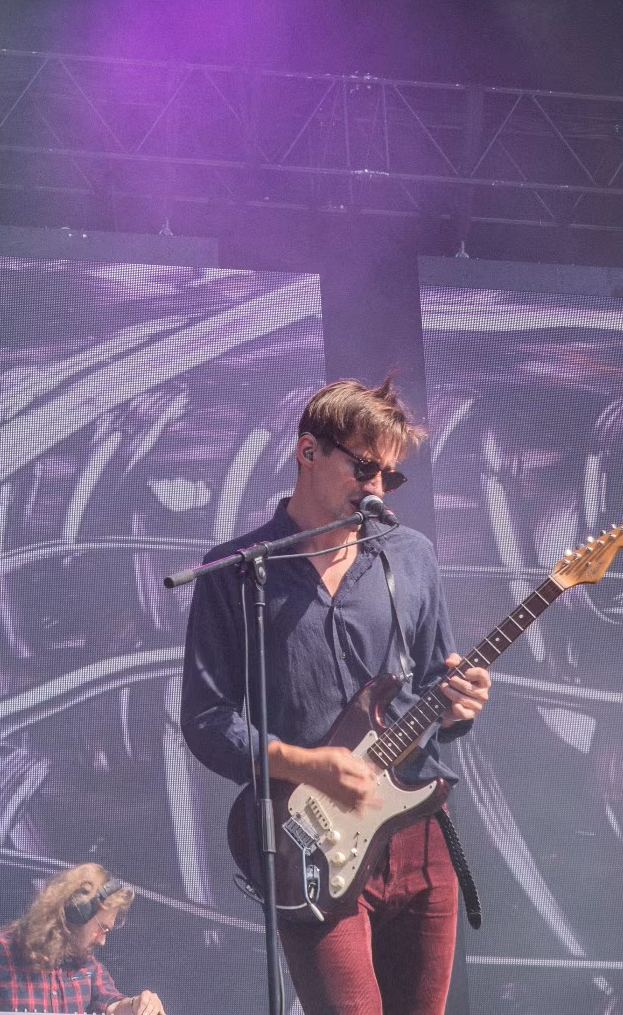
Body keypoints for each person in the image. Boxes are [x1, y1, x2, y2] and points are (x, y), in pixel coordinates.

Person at [179, 376, 493, 1015]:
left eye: (390, 476)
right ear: (308, 451)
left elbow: (435, 687)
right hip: (310, 840)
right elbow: (207, 719)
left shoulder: (410, 557)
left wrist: (461, 704)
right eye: (365, 466)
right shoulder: (239, 571)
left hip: (417, 827)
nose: (376, 487)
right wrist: (305, 764)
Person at [0, 862, 169, 1015]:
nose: (103, 940)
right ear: (77, 911)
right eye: (102, 928)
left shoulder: (88, 968)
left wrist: (137, 1005)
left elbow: (113, 1005)